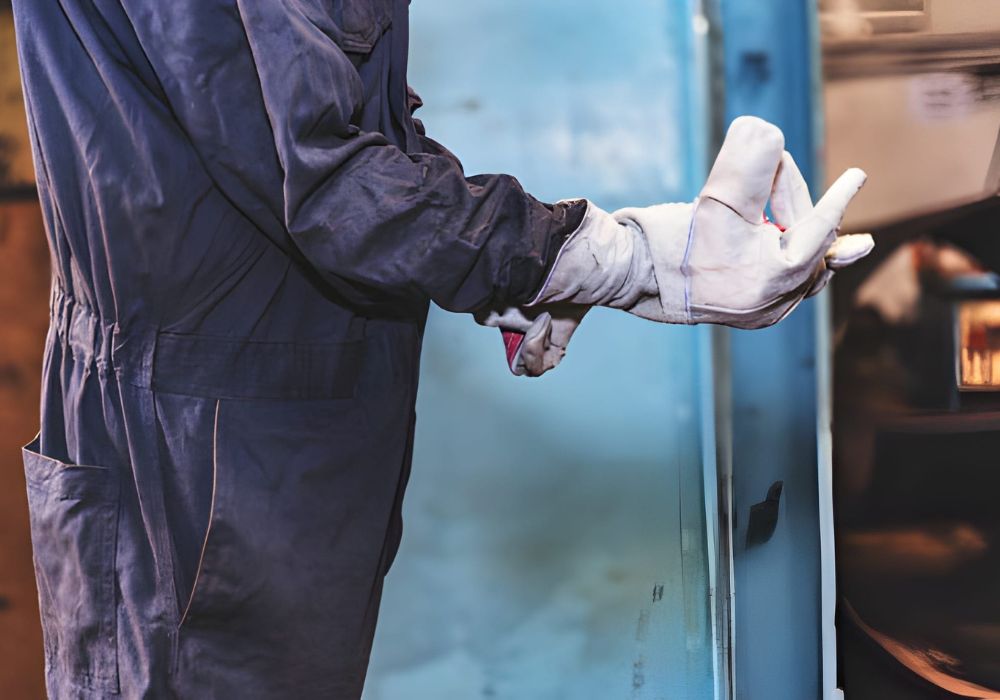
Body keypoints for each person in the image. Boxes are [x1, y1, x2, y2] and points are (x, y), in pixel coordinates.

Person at [11, 0, 873, 697]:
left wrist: (524, 273)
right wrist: (610, 259)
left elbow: (357, 124)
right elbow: (320, 173)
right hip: (196, 458)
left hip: (274, 444)